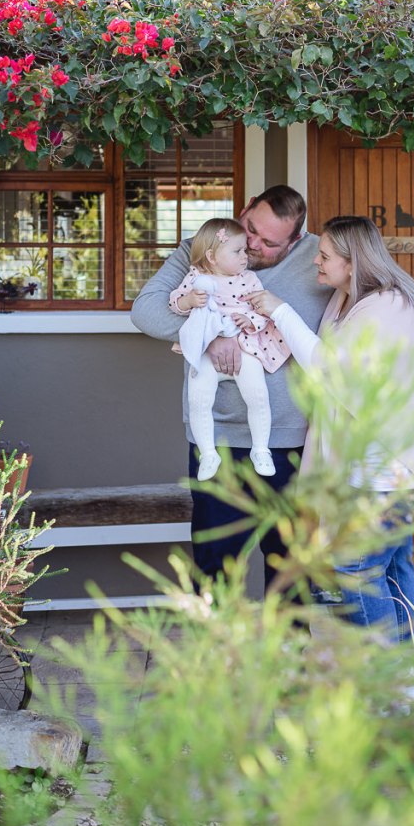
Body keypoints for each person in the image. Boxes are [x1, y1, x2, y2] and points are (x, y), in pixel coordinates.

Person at [247, 215, 414, 643]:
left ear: (352, 260)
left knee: (353, 569)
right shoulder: (347, 301)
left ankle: (388, 675)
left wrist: (281, 311)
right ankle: (405, 686)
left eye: (324, 256)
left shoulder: (389, 308)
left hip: (386, 468)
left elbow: (335, 374)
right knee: (394, 571)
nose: (316, 264)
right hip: (364, 468)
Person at [130, 185, 331, 588]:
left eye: (268, 242)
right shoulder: (204, 247)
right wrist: (209, 334)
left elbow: (367, 300)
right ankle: (221, 650)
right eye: (249, 228)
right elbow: (146, 311)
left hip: (292, 440)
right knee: (216, 566)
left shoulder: (320, 259)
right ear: (244, 209)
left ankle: (288, 649)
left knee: (291, 568)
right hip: (218, 438)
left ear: (296, 241)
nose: (252, 244)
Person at [169, 217, 291, 482]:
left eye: (245, 250)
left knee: (257, 396)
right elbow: (175, 304)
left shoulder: (249, 279)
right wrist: (189, 300)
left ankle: (261, 449)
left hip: (244, 346)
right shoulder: (196, 277)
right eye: (237, 251)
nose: (245, 256)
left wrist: (251, 321)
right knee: (199, 401)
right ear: (212, 256)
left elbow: (265, 311)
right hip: (205, 351)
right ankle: (208, 453)